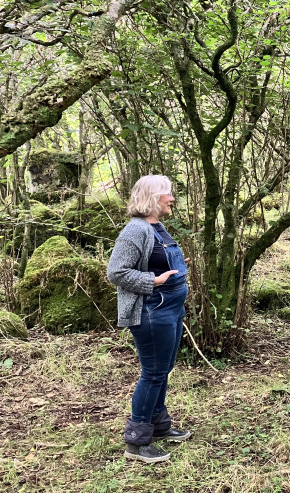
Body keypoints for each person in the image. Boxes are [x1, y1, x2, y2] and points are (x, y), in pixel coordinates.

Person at [107, 175, 192, 463]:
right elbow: (116, 272)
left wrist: (176, 268)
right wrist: (154, 281)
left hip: (170, 309)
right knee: (153, 373)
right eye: (167, 194)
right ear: (153, 198)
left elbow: (157, 260)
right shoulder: (135, 230)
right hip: (151, 311)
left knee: (164, 369)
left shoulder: (158, 227)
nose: (171, 199)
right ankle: (137, 441)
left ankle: (158, 426)